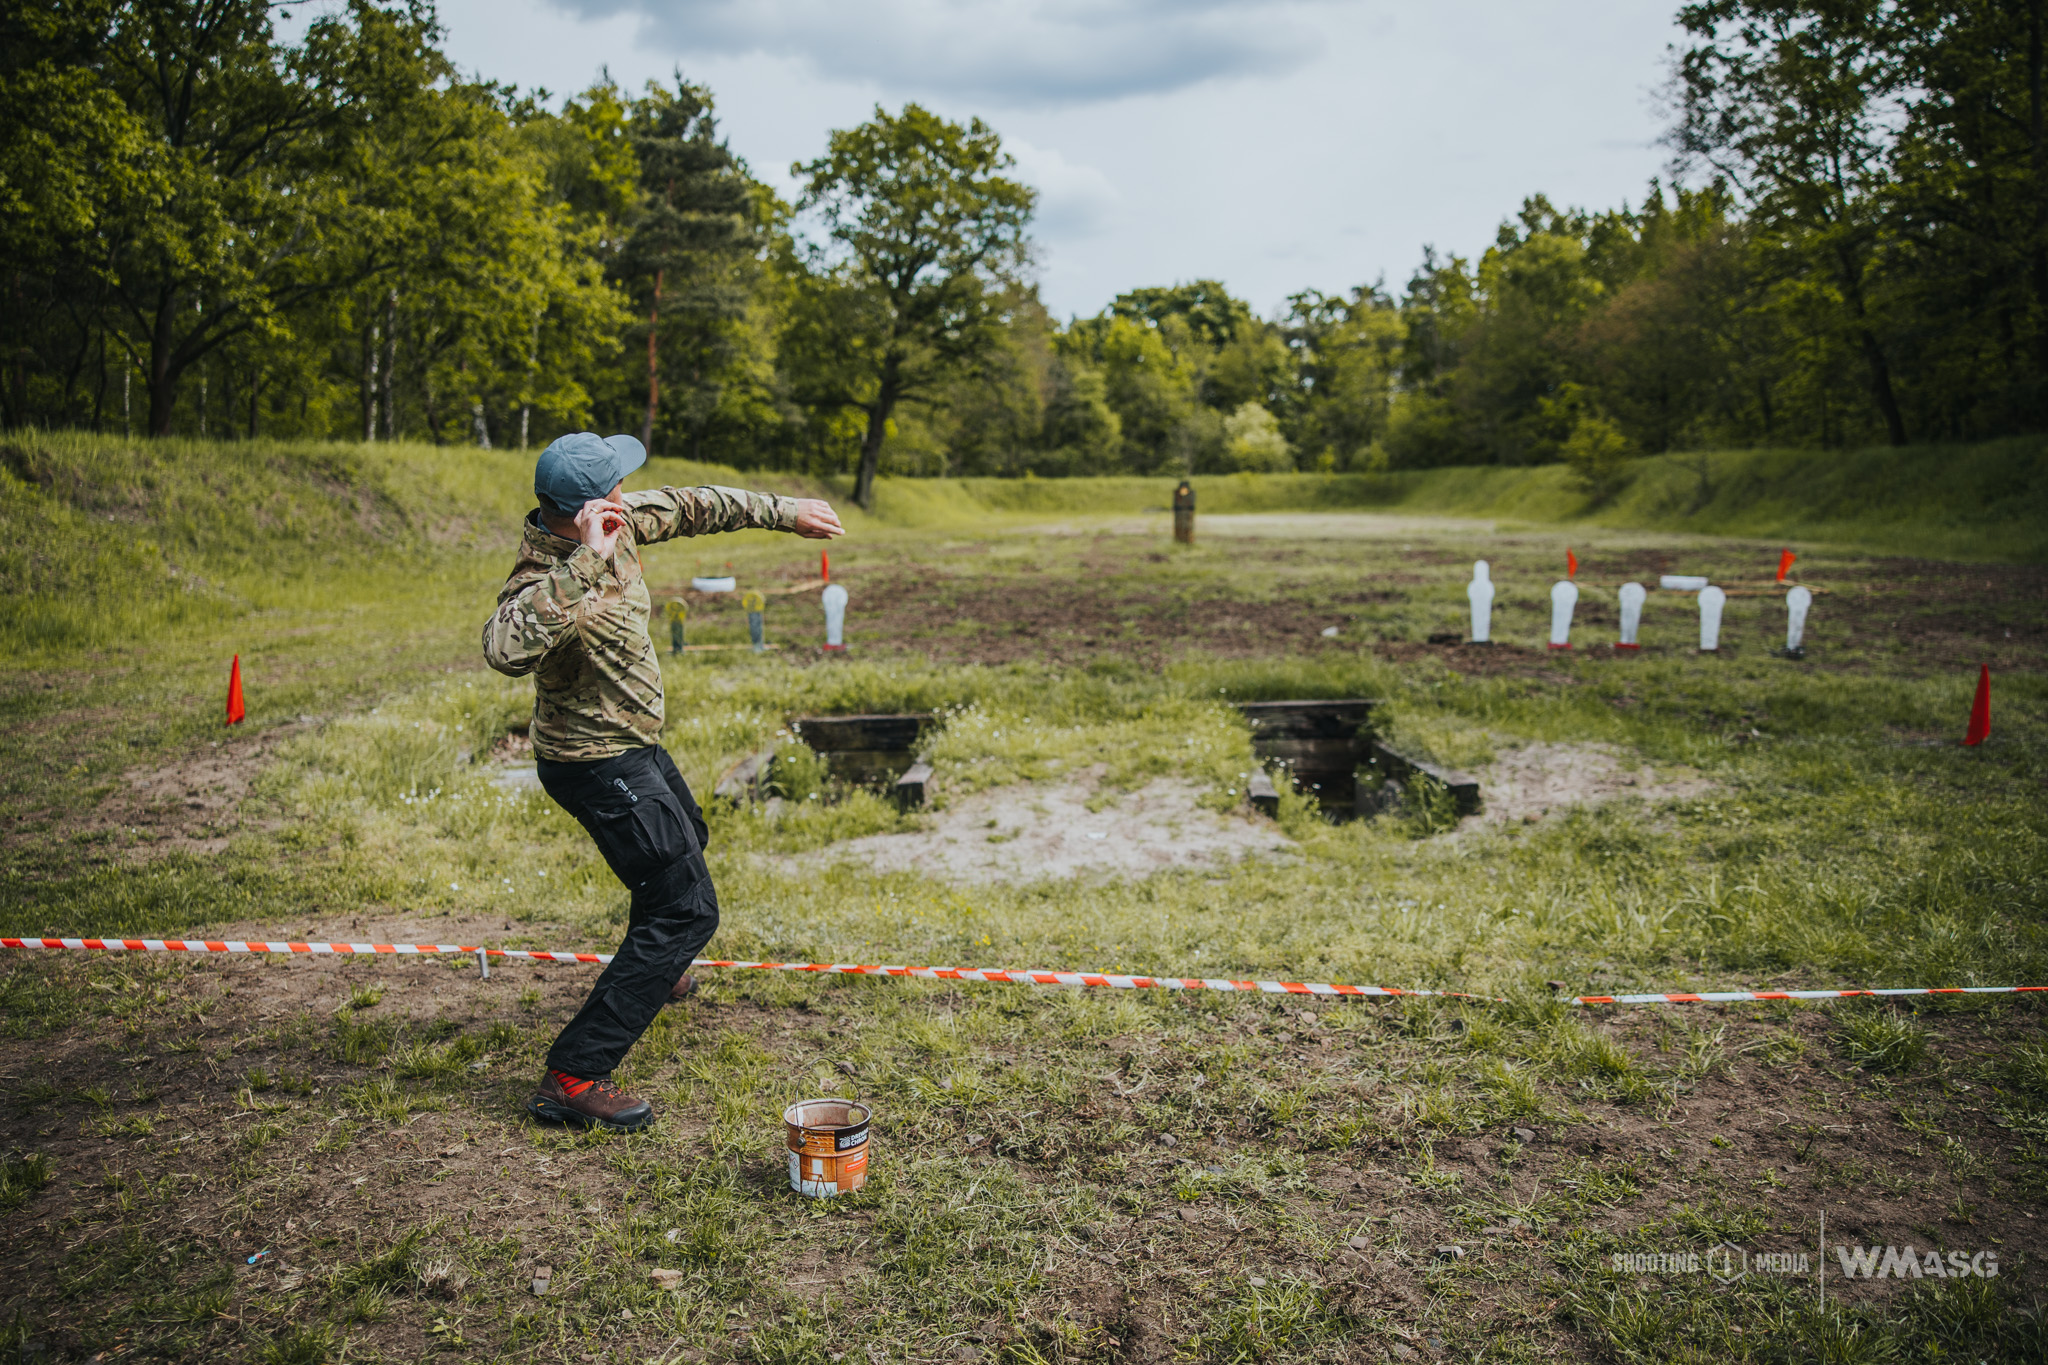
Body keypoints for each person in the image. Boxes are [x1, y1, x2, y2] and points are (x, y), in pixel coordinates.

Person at [482, 431, 843, 1130]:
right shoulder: (546, 575)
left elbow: (692, 503)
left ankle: (657, 967)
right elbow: (503, 647)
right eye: (617, 482)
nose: (629, 490)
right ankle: (574, 1072)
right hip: (592, 762)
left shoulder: (621, 517)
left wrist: (785, 509)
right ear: (586, 508)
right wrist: (589, 560)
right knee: (687, 907)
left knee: (687, 843)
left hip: (632, 743)